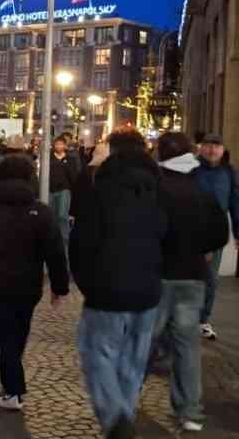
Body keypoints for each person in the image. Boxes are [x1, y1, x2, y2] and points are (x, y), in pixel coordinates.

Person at [70, 128, 167, 439]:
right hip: (149, 290)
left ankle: (115, 418)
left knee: (97, 352)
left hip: (107, 290)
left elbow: (81, 242)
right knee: (133, 362)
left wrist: (89, 285)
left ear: (111, 150)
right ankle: (124, 413)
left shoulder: (99, 189)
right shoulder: (160, 189)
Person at [0, 155, 69, 411]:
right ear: (30, 178)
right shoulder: (41, 212)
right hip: (30, 283)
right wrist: (59, 286)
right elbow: (55, 252)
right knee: (18, 331)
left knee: (7, 332)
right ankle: (12, 387)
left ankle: (13, 390)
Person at [154, 132, 228, 433]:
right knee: (187, 347)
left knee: (143, 343)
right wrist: (202, 250)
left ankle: (124, 402)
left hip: (158, 277)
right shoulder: (202, 192)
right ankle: (190, 412)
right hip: (192, 277)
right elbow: (219, 234)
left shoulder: (154, 190)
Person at [195, 133, 239, 341]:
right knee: (189, 277)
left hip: (216, 234)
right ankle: (184, 319)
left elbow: (235, 202)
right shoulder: (192, 169)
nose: (212, 150)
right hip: (190, 230)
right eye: (208, 146)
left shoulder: (229, 172)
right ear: (201, 148)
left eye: (216, 146)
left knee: (211, 278)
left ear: (223, 149)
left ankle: (202, 320)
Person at [49, 135, 78, 248]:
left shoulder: (70, 159)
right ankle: (52, 237)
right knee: (52, 215)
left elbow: (73, 175)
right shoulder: (49, 158)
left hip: (64, 189)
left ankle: (64, 237)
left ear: (65, 146)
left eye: (61, 144)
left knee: (62, 214)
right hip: (50, 189)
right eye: (57, 144)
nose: (59, 146)